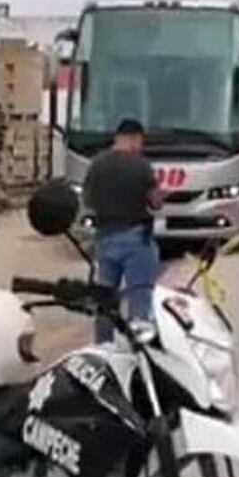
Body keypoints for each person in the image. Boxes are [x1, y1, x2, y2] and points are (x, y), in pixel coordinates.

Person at [83, 119, 163, 341]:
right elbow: (156, 202)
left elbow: (88, 200)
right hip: (136, 240)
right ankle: (141, 348)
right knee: (140, 298)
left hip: (104, 239)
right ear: (135, 138)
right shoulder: (141, 166)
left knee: (105, 300)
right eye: (140, 142)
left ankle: (104, 346)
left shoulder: (97, 164)